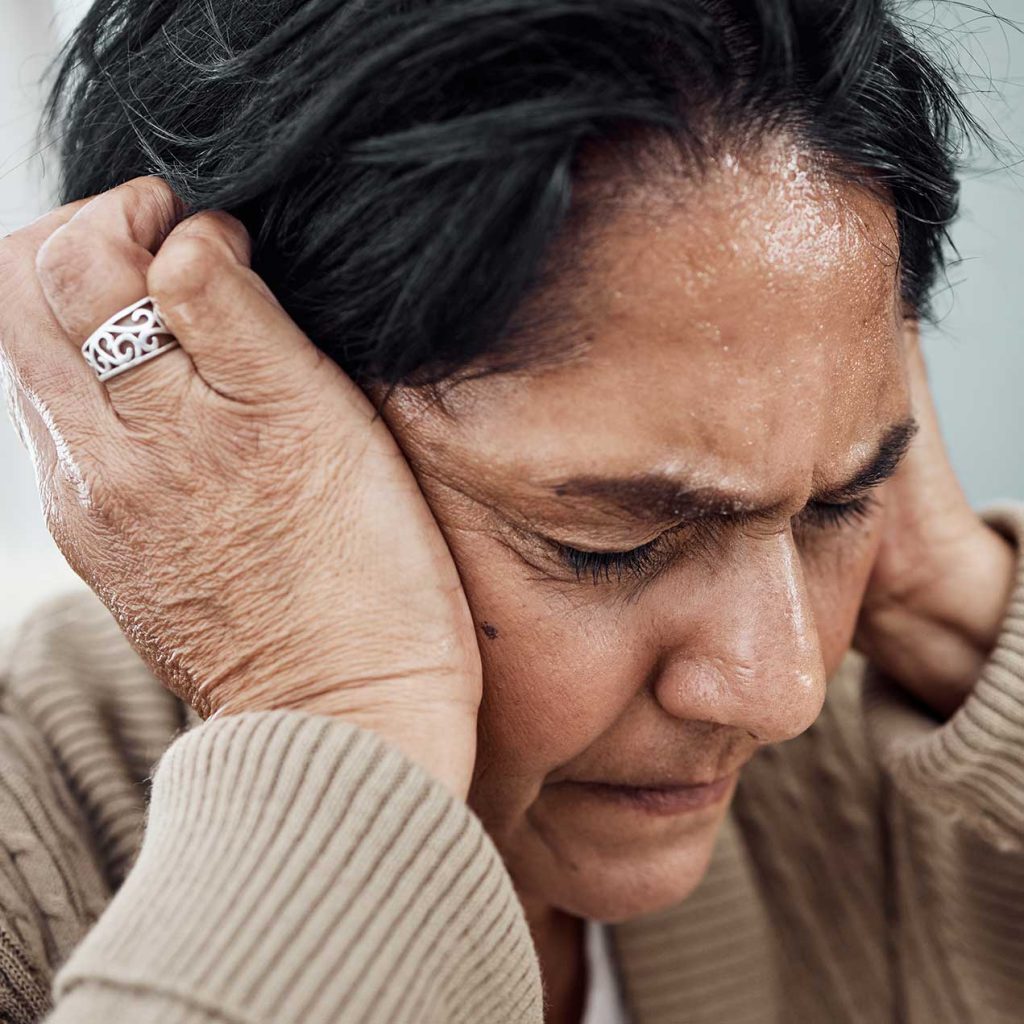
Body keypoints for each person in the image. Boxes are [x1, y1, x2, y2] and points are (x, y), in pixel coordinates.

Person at [1, 1, 1022, 1022]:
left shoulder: (886, 741)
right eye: (610, 545)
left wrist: (953, 608)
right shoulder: (28, 864)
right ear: (217, 441)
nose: (781, 691)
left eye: (837, 502)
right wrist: (335, 714)